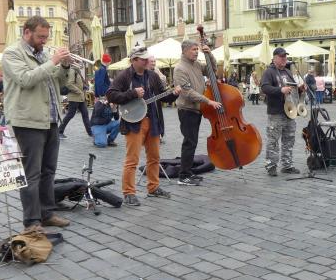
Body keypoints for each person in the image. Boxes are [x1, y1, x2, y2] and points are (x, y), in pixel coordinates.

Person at [2, 16, 71, 230]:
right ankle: (32, 220)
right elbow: (26, 79)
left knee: (49, 170)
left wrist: (65, 66)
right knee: (31, 174)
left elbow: (61, 83)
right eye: (40, 36)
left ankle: (46, 213)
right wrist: (53, 62)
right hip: (27, 121)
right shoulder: (12, 53)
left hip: (50, 119)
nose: (44, 40)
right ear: (27, 32)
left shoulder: (44, 55)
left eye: (46, 37)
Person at [107, 47, 180, 205]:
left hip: (153, 121)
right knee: (132, 159)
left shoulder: (152, 75)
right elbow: (111, 95)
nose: (147, 61)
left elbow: (163, 97)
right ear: (134, 60)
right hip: (134, 123)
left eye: (147, 58)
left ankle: (153, 187)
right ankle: (128, 193)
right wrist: (132, 93)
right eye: (143, 59)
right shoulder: (124, 76)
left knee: (154, 157)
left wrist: (174, 94)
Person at [173, 40, 221, 186]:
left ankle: (188, 172)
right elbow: (187, 92)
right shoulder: (180, 68)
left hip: (196, 109)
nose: (196, 52)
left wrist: (209, 54)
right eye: (193, 49)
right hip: (187, 109)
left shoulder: (197, 64)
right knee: (189, 142)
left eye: (197, 49)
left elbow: (213, 70)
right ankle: (183, 176)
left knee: (192, 142)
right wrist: (208, 101)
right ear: (185, 50)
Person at [260, 47, 303, 176]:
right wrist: (280, 90)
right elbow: (264, 88)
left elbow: (293, 89)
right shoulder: (269, 72)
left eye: (285, 56)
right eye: (281, 56)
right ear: (274, 58)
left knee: (289, 140)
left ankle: (287, 165)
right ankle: (271, 166)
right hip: (276, 112)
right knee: (273, 141)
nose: (284, 59)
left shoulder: (288, 72)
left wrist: (300, 89)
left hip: (290, 111)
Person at [58, 64, 92, 139]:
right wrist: (79, 91)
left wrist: (84, 87)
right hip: (74, 98)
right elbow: (69, 84)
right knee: (70, 115)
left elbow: (77, 83)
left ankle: (90, 132)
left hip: (80, 98)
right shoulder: (72, 71)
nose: (80, 64)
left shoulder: (77, 71)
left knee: (85, 114)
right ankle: (59, 131)